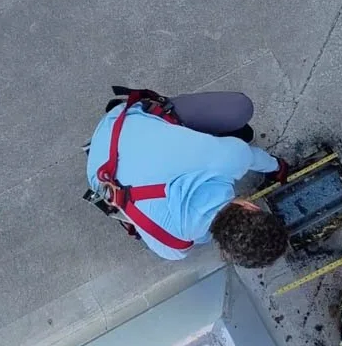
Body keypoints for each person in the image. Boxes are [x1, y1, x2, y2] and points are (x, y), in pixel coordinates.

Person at [84, 87, 291, 267]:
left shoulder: (229, 159)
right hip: (101, 173)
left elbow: (252, 156)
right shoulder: (173, 247)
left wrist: (278, 167)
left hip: (120, 125)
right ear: (224, 252)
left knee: (241, 117)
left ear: (251, 207)